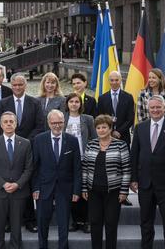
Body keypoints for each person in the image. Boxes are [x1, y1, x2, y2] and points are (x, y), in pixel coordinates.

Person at [130, 95, 165, 249]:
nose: (155, 110)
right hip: (145, 182)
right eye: (152, 107)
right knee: (145, 221)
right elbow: (134, 155)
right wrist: (133, 178)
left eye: (158, 107)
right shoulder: (140, 127)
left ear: (164, 108)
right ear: (148, 108)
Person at [0, 73, 45, 232]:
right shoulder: (3, 103)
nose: (17, 87)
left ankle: (30, 219)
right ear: (11, 86)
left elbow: (40, 126)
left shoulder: (35, 102)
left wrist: (23, 141)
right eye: (15, 85)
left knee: (27, 184)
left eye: (20, 85)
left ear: (25, 85)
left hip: (28, 148)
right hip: (9, 149)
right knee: (10, 182)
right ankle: (10, 221)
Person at [32, 109, 82, 249]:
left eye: (60, 122)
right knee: (42, 221)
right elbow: (35, 167)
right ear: (48, 123)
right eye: (54, 123)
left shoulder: (72, 141)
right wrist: (35, 187)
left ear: (64, 122)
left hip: (65, 188)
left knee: (63, 222)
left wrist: (76, 190)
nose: (57, 126)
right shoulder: (39, 140)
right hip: (43, 188)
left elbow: (77, 167)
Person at [0, 112, 33, 249]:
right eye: (5, 122)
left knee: (17, 229)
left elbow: (29, 168)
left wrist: (17, 184)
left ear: (16, 124)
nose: (8, 124)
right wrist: (3, 184)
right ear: (1, 125)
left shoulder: (25, 143)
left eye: (11, 121)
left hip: (19, 192)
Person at [82, 115, 131, 249]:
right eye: (98, 127)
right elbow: (85, 168)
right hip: (94, 191)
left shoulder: (120, 144)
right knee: (95, 223)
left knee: (111, 223)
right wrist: (84, 189)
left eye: (104, 127)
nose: (101, 130)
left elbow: (126, 169)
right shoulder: (91, 144)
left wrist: (124, 191)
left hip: (114, 192)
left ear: (110, 128)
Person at [63, 93, 96, 233]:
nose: (74, 104)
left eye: (77, 101)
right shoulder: (62, 118)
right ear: (67, 104)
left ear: (81, 104)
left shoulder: (88, 119)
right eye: (71, 101)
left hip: (85, 159)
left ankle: (87, 220)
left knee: (86, 190)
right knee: (71, 190)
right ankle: (75, 220)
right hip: (67, 160)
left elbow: (94, 138)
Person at [97, 71, 135, 146]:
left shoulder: (128, 97)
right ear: (109, 81)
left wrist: (119, 131)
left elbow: (130, 118)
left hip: (123, 136)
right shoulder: (102, 98)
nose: (114, 82)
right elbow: (100, 118)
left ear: (120, 80)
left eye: (117, 80)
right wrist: (110, 131)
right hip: (106, 135)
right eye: (112, 80)